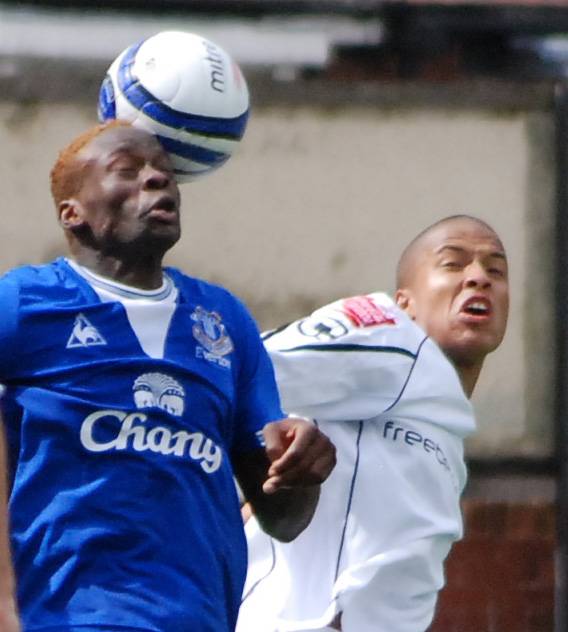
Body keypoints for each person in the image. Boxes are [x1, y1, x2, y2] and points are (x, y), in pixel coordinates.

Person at [0, 120, 336, 631]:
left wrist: (302, 466)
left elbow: (283, 518)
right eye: (127, 171)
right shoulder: (25, 302)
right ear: (74, 213)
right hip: (68, 619)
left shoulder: (224, 320)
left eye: (163, 172)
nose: (157, 180)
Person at [237, 214, 509, 632]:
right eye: (454, 264)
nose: (479, 278)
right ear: (405, 304)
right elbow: (233, 367)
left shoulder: (445, 418)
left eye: (496, 270)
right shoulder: (393, 335)